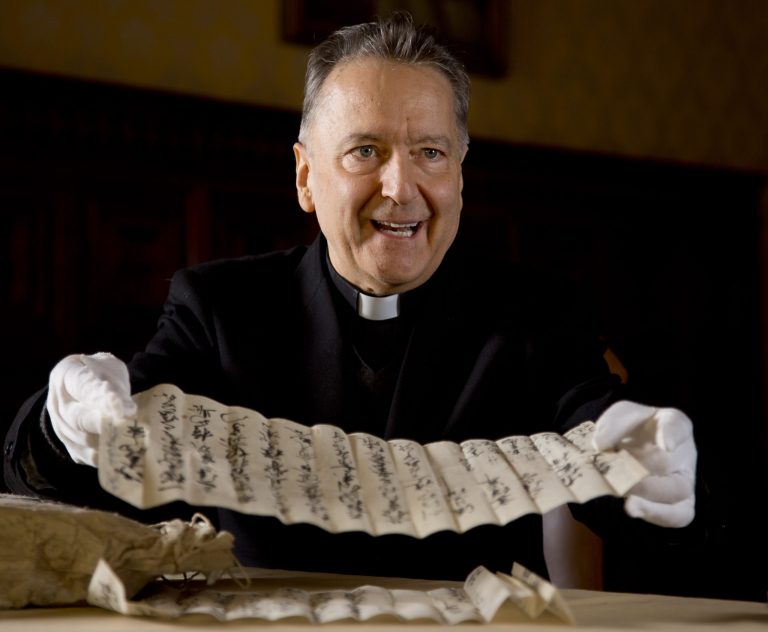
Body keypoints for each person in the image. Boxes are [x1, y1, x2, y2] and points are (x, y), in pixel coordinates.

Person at [3, 12, 696, 583]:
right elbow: (82, 465)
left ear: (460, 174)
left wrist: (658, 461)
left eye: (431, 153)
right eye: (365, 151)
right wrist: (64, 425)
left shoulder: (535, 317)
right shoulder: (221, 309)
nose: (401, 189)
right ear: (305, 177)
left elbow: (611, 436)